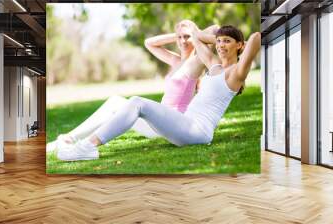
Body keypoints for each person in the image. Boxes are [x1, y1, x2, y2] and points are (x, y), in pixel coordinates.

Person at [56, 24, 260, 162]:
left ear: (239, 45)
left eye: (228, 41)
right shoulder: (214, 66)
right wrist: (217, 38)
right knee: (128, 104)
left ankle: (88, 147)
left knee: (138, 102)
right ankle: (82, 144)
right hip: (185, 124)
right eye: (220, 41)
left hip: (197, 130)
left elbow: (256, 37)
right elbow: (197, 37)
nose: (222, 45)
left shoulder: (236, 74)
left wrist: (219, 36)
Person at [47, 20, 214, 153]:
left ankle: (82, 145)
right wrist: (177, 34)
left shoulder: (196, 62)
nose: (183, 41)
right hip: (159, 121)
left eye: (187, 37)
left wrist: (193, 33)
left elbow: (216, 28)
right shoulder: (175, 60)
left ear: (195, 37)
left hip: (174, 124)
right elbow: (149, 43)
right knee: (115, 102)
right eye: (180, 37)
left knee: (132, 103)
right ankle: (68, 139)